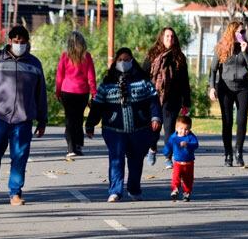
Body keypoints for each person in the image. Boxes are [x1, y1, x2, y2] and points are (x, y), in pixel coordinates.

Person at [0, 26, 47, 206]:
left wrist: (42, 119)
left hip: (23, 119)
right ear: (10, 42)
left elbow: (41, 93)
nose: (19, 45)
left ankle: (15, 192)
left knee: (20, 156)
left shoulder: (34, 64)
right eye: (16, 42)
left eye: (22, 42)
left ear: (27, 43)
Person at [85, 48, 162, 202]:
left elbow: (153, 102)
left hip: (139, 129)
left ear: (132, 62)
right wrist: (91, 124)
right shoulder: (107, 84)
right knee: (116, 159)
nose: (123, 63)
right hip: (114, 130)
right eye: (120, 60)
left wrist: (155, 117)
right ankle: (115, 191)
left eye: (127, 60)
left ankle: (134, 189)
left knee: (136, 160)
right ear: (115, 62)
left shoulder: (143, 82)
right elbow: (98, 106)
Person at [141, 27, 191, 170]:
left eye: (172, 37)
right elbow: (143, 76)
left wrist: (186, 101)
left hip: (172, 99)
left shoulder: (179, 57)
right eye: (167, 36)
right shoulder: (152, 55)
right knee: (154, 129)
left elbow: (184, 81)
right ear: (162, 38)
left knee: (169, 130)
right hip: (154, 97)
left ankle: (168, 157)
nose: (170, 39)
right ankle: (152, 149)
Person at [209, 21, 248, 167]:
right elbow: (213, 69)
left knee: (241, 121)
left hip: (243, 88)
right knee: (227, 121)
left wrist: (245, 51)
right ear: (232, 32)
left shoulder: (246, 46)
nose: (242, 34)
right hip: (225, 88)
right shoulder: (221, 47)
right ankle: (228, 154)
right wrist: (212, 87)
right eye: (239, 32)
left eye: (243, 32)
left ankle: (239, 152)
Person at [55, 31, 97, 159]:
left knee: (70, 119)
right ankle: (78, 145)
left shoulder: (64, 56)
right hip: (82, 92)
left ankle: (71, 147)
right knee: (78, 119)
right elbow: (91, 77)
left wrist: (57, 91)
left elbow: (59, 75)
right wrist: (94, 93)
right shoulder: (87, 57)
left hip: (67, 91)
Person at [162, 115, 199, 202]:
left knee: (188, 179)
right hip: (177, 162)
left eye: (186, 129)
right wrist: (166, 152)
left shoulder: (190, 137)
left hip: (189, 163)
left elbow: (196, 145)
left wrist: (188, 144)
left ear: (190, 129)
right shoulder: (173, 137)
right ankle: (175, 189)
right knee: (176, 177)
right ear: (177, 128)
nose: (184, 131)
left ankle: (187, 193)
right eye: (181, 129)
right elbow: (168, 145)